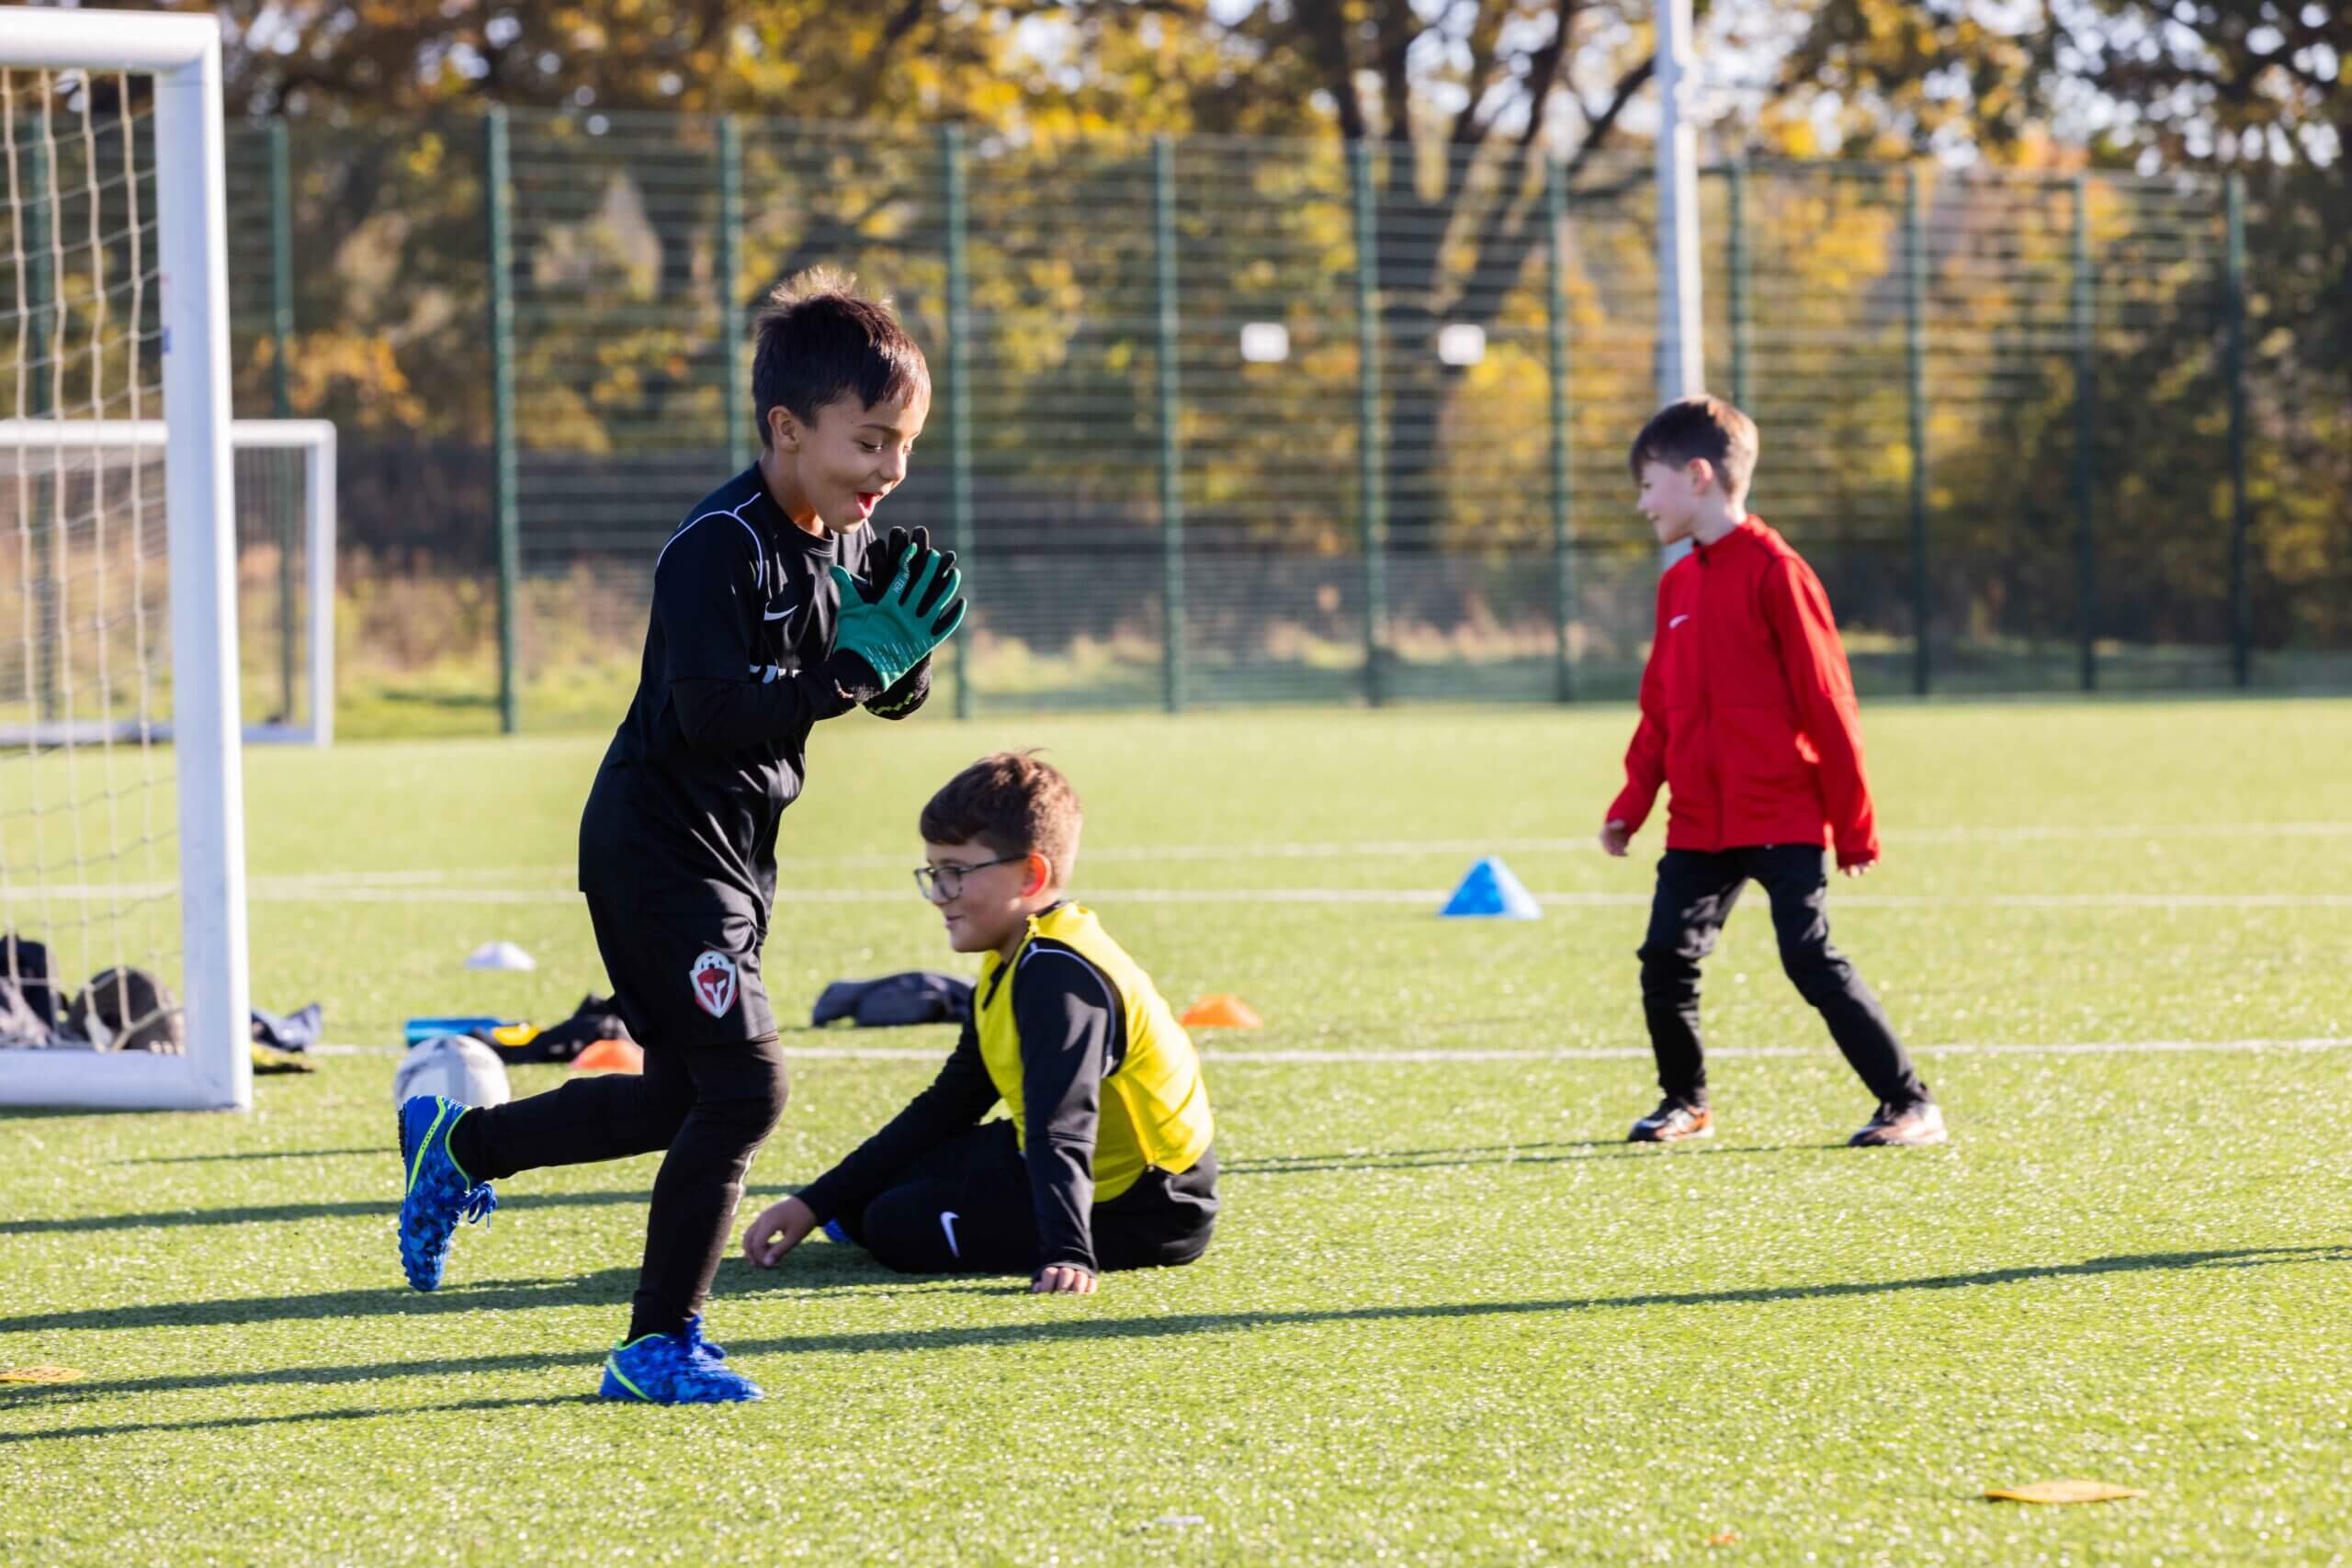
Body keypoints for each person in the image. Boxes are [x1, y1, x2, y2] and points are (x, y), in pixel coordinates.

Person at [393, 269, 968, 1404]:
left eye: (904, 444)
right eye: (870, 441)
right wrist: (852, 675)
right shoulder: (715, 549)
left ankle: (458, 1150)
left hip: (732, 856)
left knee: (674, 1100)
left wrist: (892, 675)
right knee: (747, 1092)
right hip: (656, 848)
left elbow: (842, 671)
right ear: (786, 429)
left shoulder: (841, 540)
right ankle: (656, 1344)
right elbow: (713, 717)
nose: (890, 470)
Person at [1601, 394, 1945, 1150]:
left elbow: (1829, 704)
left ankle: (1910, 1102)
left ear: (1697, 476)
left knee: (1807, 956)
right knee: (1666, 957)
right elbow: (1660, 710)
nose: (1640, 502)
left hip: (1781, 812)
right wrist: (1632, 803)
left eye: (1648, 483)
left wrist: (1853, 827)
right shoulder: (1677, 586)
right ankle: (1685, 1102)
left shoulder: (1777, 573)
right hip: (1698, 820)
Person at [742, 751, 1218, 1294]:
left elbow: (1061, 1125)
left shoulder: (1056, 975)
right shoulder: (1011, 957)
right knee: (858, 1204)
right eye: (934, 873)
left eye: (957, 874)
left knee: (890, 1226)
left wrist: (1067, 1251)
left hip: (1147, 1206)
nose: (939, 895)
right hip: (1073, 1166)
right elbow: (950, 1103)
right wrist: (814, 1201)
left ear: (1032, 874)